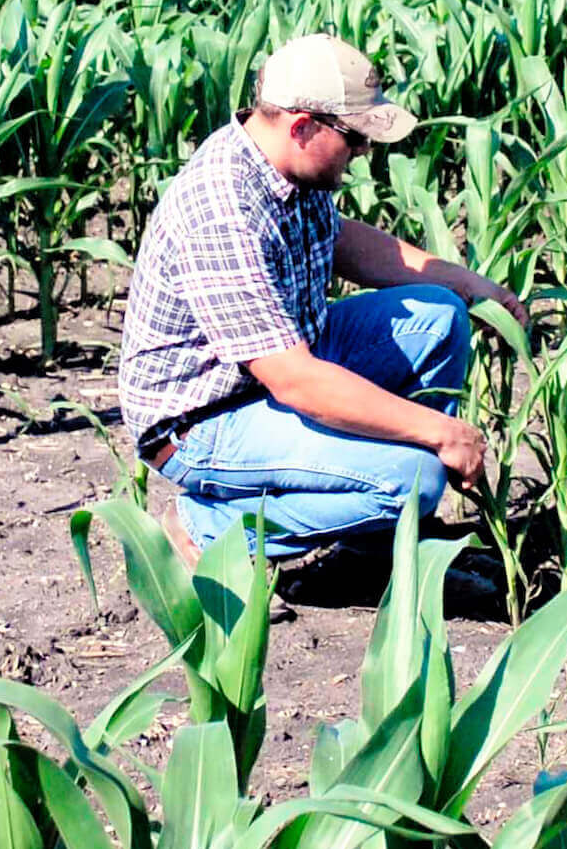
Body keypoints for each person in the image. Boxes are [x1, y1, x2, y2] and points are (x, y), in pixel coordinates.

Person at [117, 33, 527, 564]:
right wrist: (440, 432)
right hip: (207, 420)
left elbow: (346, 243)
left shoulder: (286, 166)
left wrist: (469, 284)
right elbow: (296, 382)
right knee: (413, 479)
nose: (364, 151)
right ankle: (203, 528)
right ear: (303, 126)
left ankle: (378, 548)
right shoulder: (222, 208)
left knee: (439, 316)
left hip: (284, 361)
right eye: (354, 137)